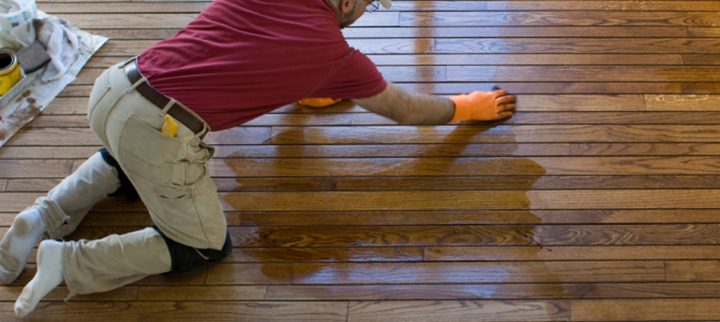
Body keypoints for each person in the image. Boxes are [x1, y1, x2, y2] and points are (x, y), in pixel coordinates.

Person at [0, 0, 516, 317]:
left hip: (115, 88)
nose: (364, 14)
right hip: (159, 129)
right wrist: (466, 108)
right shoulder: (336, 53)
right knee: (201, 246)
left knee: (126, 160)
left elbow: (255, 52)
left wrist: (313, 90)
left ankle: (39, 218)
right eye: (369, 5)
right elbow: (404, 109)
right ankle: (67, 261)